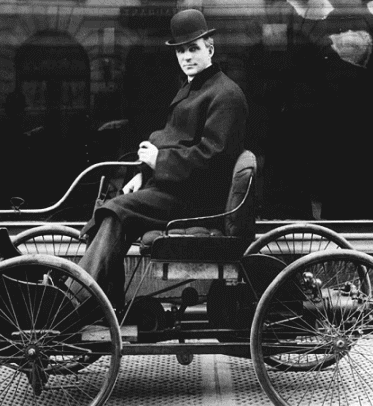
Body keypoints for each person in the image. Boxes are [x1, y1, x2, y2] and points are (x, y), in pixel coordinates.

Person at [76, 9, 248, 309]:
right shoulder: (193, 87)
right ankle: (100, 303)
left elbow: (212, 158)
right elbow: (170, 135)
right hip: (176, 189)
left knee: (116, 210)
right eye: (181, 51)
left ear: (210, 47)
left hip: (197, 202)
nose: (186, 57)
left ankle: (74, 299)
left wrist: (159, 162)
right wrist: (144, 170)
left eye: (193, 48)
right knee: (112, 205)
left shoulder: (225, 95)